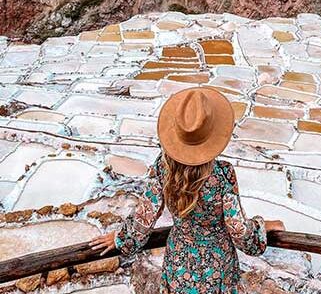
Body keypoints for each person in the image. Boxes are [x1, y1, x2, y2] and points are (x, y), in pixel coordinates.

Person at [91, 87, 285, 293]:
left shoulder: (162, 168)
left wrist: (121, 238)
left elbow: (144, 217)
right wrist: (263, 227)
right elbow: (237, 230)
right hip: (218, 264)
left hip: (179, 260)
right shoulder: (223, 174)